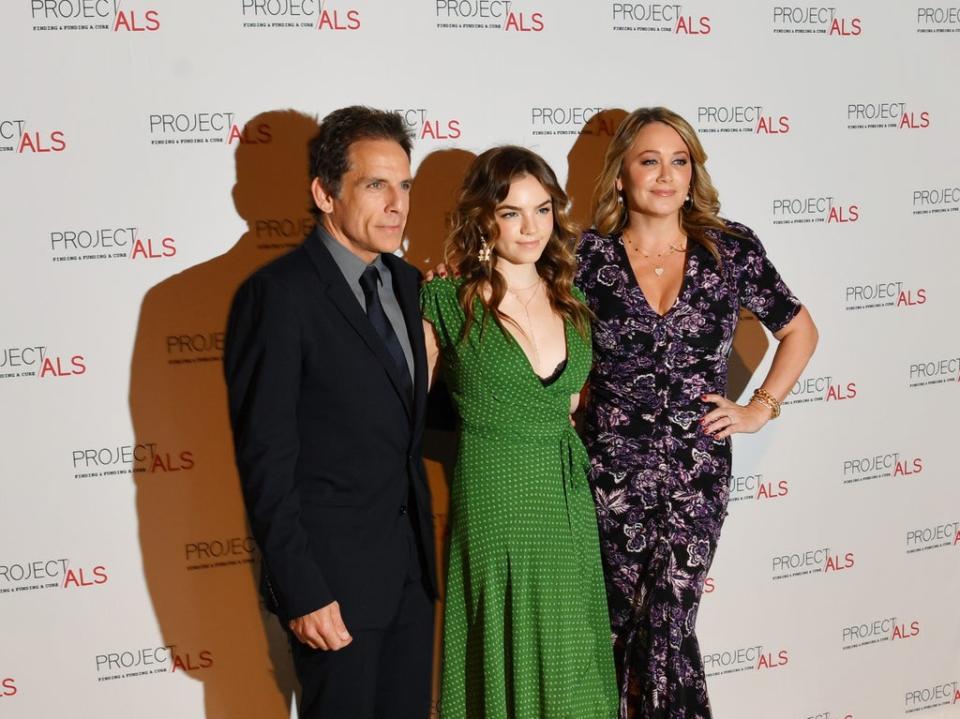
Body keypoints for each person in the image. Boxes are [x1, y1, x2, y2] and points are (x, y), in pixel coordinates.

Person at [575, 107, 818, 717]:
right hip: (607, 473)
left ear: (693, 173)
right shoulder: (584, 258)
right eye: (649, 161)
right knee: (615, 628)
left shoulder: (728, 249)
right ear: (621, 175)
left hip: (695, 470)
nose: (666, 176)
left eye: (679, 161)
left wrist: (760, 407)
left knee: (668, 623)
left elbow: (800, 330)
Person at [224, 106, 437, 719]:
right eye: (376, 185)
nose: (397, 203)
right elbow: (265, 458)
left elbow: (408, 423)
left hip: (410, 579)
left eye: (405, 185)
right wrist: (303, 591)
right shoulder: (280, 295)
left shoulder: (410, 284)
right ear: (324, 193)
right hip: (332, 590)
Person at [421, 146, 619, 718]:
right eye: (511, 212)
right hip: (493, 499)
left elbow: (572, 408)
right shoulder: (445, 301)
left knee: (569, 651)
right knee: (500, 651)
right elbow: (400, 415)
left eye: (542, 209)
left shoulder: (575, 303)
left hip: (566, 503)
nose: (530, 227)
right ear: (483, 217)